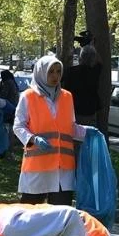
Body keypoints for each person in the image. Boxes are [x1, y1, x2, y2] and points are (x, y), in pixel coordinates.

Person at [13, 55, 86, 205]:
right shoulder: (28, 96)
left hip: (63, 169)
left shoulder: (67, 97)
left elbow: (70, 128)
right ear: (41, 73)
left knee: (61, 215)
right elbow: (18, 126)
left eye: (58, 72)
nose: (55, 76)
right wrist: (33, 139)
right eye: (51, 72)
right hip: (37, 168)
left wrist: (88, 132)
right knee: (30, 215)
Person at [61, 44, 102, 126]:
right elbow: (99, 61)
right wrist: (93, 43)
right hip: (90, 111)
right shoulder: (95, 72)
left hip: (73, 111)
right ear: (93, 59)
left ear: (81, 57)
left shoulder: (70, 71)